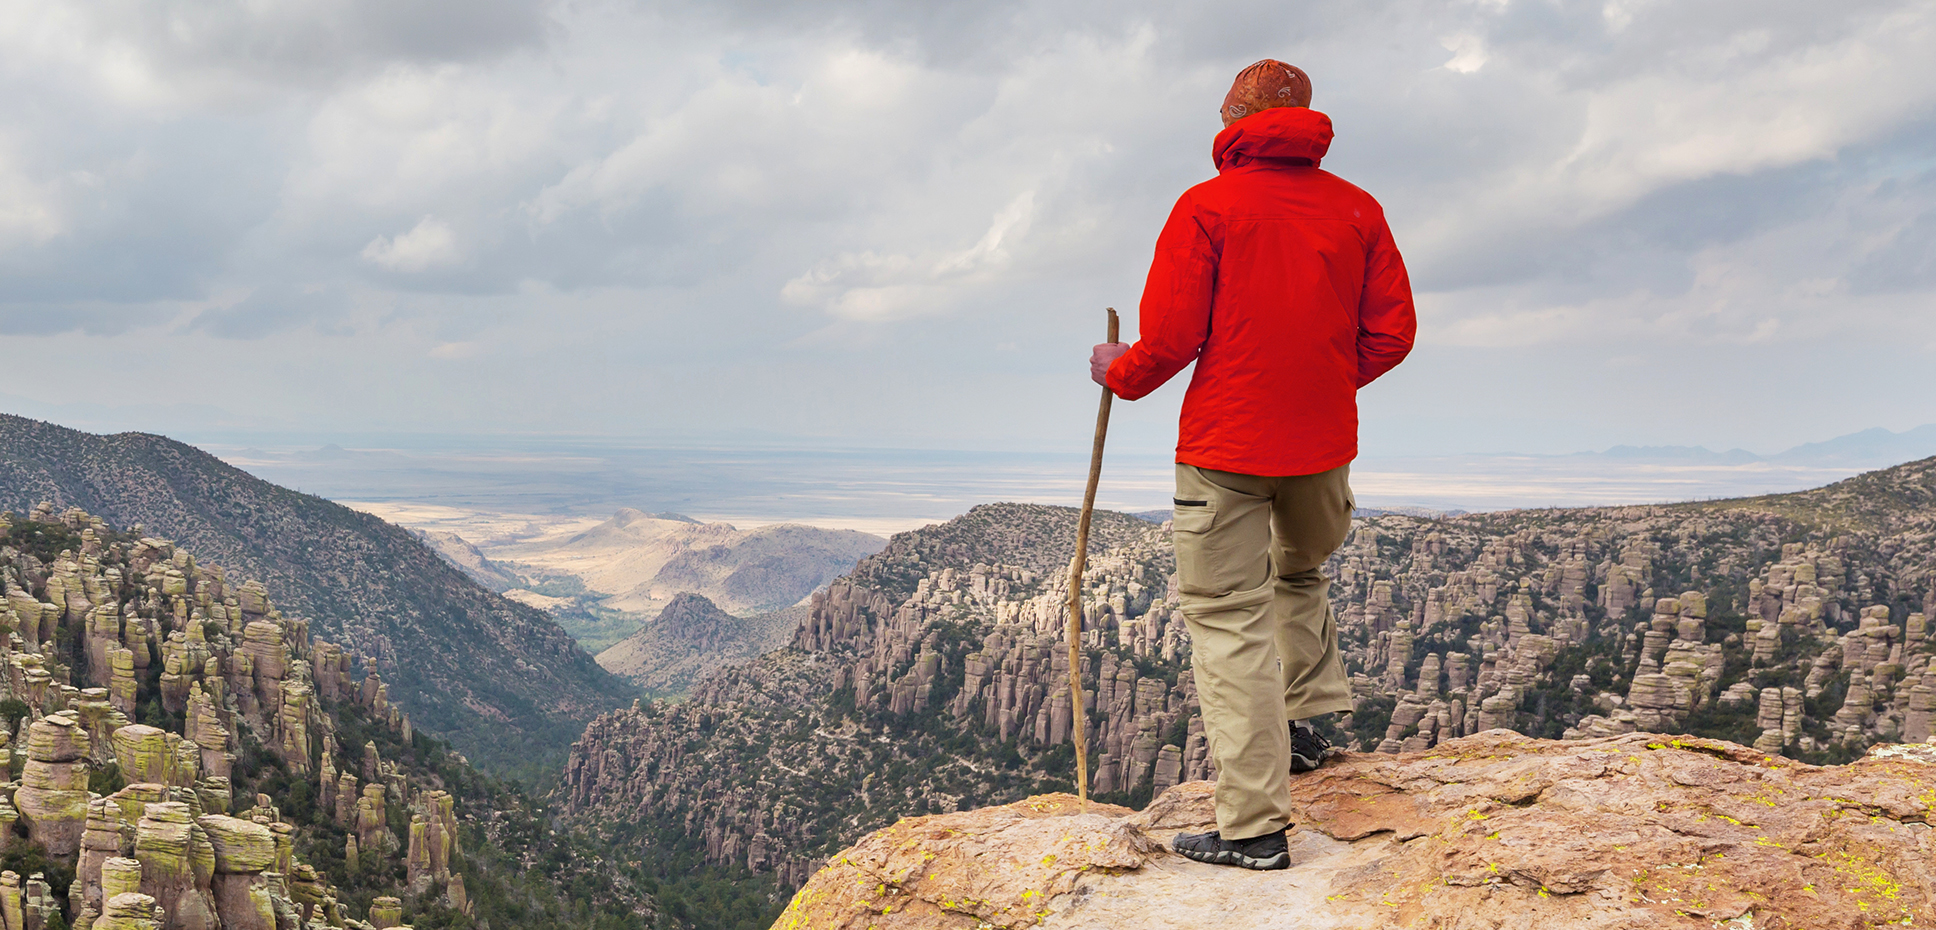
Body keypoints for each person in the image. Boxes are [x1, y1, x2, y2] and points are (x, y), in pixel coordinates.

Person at [1090, 59, 1416, 871]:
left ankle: (1255, 829)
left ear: (1232, 120)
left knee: (1228, 622)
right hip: (1323, 447)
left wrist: (1116, 369)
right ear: (1305, 121)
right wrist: (1322, 382)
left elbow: (1168, 342)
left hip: (1225, 450)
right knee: (1299, 578)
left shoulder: (1206, 208)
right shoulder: (1357, 209)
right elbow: (1392, 335)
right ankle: (1303, 732)